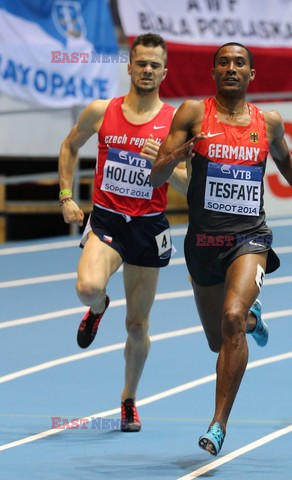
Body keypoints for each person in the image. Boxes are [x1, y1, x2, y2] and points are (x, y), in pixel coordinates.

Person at [150, 42, 292, 455]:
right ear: (213, 71)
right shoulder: (192, 114)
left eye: (239, 63)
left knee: (231, 318)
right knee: (219, 341)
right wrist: (181, 153)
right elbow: (153, 178)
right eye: (224, 62)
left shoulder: (267, 122)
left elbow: (286, 160)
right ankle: (252, 317)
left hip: (248, 237)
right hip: (202, 242)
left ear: (252, 74)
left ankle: (218, 424)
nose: (231, 68)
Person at [58, 33, 187, 432]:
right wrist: (65, 195)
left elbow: (190, 184)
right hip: (109, 219)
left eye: (155, 65)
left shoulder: (174, 122)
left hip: (148, 227)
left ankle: (129, 399)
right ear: (129, 67)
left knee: (137, 325)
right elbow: (68, 146)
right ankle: (97, 308)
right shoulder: (101, 111)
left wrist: (165, 162)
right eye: (141, 63)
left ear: (165, 72)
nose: (147, 70)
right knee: (86, 286)